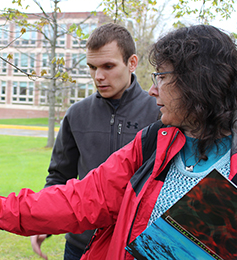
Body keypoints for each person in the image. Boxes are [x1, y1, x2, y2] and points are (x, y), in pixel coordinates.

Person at [0, 24, 237, 260]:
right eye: (93, 67)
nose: (153, 89)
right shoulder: (152, 141)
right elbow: (84, 197)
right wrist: (6, 208)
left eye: (162, 77)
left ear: (196, 82)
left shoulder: (232, 160)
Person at [31, 23, 160, 260]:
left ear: (132, 63)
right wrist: (44, 220)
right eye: (92, 67)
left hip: (138, 248)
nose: (98, 76)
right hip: (81, 246)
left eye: (108, 66)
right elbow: (59, 177)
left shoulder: (160, 114)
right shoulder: (76, 114)